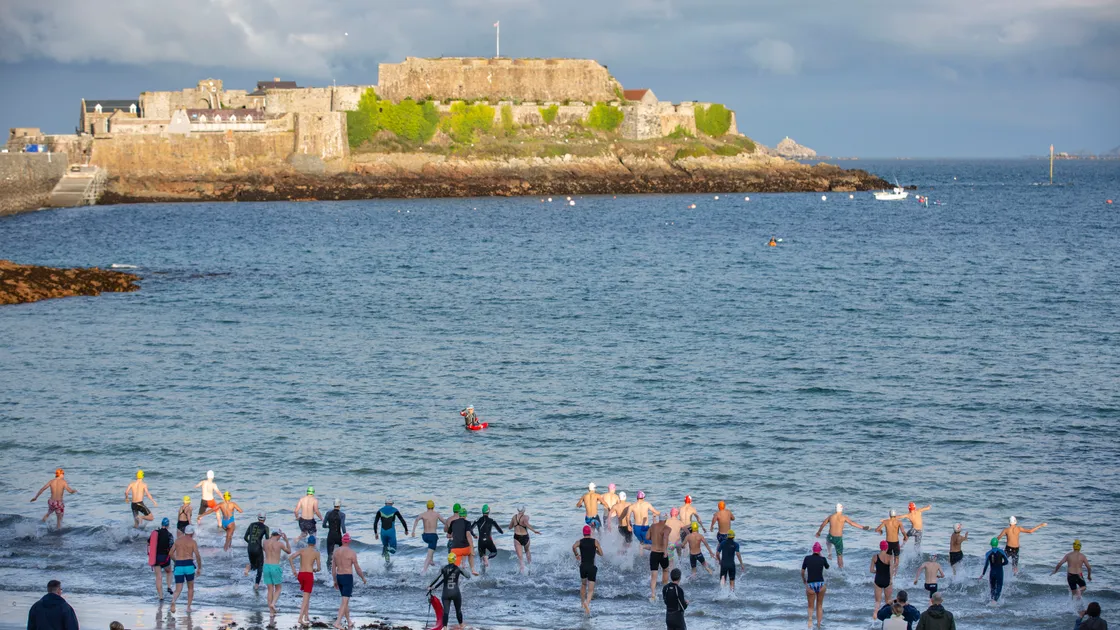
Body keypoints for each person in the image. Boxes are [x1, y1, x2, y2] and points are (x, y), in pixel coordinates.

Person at [815, 503, 871, 569]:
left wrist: (819, 532)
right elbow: (852, 523)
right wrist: (862, 527)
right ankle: (841, 569)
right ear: (842, 509)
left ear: (835, 509)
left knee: (827, 541)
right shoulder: (844, 517)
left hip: (830, 537)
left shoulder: (831, 517)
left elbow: (823, 524)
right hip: (838, 539)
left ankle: (829, 553)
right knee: (839, 556)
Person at [332, 533, 367, 630]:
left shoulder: (336, 552)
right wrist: (363, 578)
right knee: (344, 601)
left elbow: (333, 568)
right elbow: (357, 568)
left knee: (345, 601)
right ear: (349, 541)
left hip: (339, 576)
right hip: (347, 577)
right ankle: (338, 622)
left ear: (342, 541)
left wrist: (335, 580)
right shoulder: (352, 553)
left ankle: (349, 621)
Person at [429, 552, 470, 628]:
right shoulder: (458, 568)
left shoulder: (443, 568)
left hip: (446, 593)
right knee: (458, 610)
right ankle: (461, 625)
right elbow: (468, 576)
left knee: (446, 612)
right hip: (455, 593)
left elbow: (436, 578)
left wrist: (430, 585)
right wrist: (463, 569)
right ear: (454, 560)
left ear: (448, 560)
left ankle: (445, 627)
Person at [168, 525, 202, 613]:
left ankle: (173, 601)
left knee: (178, 589)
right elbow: (197, 556)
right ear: (192, 533)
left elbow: (171, 553)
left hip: (179, 565)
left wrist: (176, 561)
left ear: (185, 532)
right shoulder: (193, 542)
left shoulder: (177, 541)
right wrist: (199, 567)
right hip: (189, 565)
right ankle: (188, 607)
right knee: (190, 588)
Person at [290, 534, 322, 626]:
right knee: (306, 597)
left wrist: (294, 571)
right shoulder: (316, 553)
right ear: (315, 543)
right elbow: (319, 568)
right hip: (308, 575)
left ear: (308, 543)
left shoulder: (302, 550)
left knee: (306, 595)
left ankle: (306, 616)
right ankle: (300, 618)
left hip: (301, 574)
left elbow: (290, 558)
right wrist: (315, 569)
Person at [572, 525, 603, 614]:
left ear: (583, 533)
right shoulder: (595, 542)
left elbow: (574, 547)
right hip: (591, 567)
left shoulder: (580, 542)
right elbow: (601, 553)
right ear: (590, 532)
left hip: (583, 567)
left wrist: (576, 555)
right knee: (591, 589)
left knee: (583, 584)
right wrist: (595, 551)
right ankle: (587, 603)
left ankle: (582, 603)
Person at [413, 500, 450, 573]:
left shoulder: (423, 514)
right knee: (429, 555)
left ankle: (432, 561)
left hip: (425, 536)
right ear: (433, 507)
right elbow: (445, 522)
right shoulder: (437, 514)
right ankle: (424, 570)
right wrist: (451, 525)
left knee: (431, 547)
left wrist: (413, 531)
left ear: (427, 507)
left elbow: (416, 520)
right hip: (433, 536)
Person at [262, 529, 291, 614]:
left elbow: (264, 550)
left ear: (272, 534)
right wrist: (286, 540)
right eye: (280, 536)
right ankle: (273, 604)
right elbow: (289, 551)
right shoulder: (280, 544)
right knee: (278, 588)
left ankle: (271, 612)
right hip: (275, 566)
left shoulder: (265, 542)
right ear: (278, 535)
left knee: (270, 589)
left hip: (266, 566)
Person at [802, 542, 830, 628]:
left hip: (810, 584)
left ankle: (810, 620)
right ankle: (818, 625)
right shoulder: (823, 559)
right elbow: (827, 567)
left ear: (813, 550)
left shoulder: (807, 558)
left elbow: (802, 572)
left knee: (810, 606)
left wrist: (804, 580)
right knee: (819, 605)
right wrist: (822, 557)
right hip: (820, 584)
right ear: (820, 550)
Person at [447, 507, 479, 576]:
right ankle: (473, 569)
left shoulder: (453, 522)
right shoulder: (467, 523)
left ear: (459, 515)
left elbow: (449, 535)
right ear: (465, 515)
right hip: (465, 549)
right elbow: (468, 535)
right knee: (470, 553)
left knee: (455, 568)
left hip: (455, 550)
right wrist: (472, 548)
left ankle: (454, 579)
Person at [876, 510, 909, 575]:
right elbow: (902, 531)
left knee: (889, 558)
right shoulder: (899, 522)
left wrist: (881, 531)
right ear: (895, 515)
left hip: (888, 543)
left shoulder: (885, 522)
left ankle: (888, 572)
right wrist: (905, 537)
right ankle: (895, 573)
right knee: (896, 558)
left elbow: (877, 529)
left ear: (889, 515)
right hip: (896, 543)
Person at [242, 512, 270, 590]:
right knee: (260, 567)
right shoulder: (265, 527)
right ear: (265, 519)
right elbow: (267, 540)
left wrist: (251, 543)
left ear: (258, 518)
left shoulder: (251, 524)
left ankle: (247, 568)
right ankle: (256, 585)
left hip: (250, 548)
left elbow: (245, 537)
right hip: (258, 548)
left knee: (253, 564)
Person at [509, 505, 540, 573]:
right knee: (527, 551)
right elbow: (526, 524)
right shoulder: (526, 517)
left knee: (521, 559)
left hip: (517, 537)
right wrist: (534, 531)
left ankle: (522, 572)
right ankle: (530, 566)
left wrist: (515, 524)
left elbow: (510, 527)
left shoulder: (514, 517)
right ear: (524, 510)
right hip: (525, 537)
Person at [472, 504, 504, 571]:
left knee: (481, 560)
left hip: (480, 541)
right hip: (488, 540)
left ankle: (483, 576)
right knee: (494, 552)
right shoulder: (491, 520)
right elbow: (500, 531)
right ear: (488, 511)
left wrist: (474, 535)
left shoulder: (477, 520)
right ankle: (488, 557)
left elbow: (469, 529)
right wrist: (501, 531)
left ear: (482, 511)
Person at [148, 518, 174, 600]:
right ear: (168, 525)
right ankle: (169, 586)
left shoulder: (155, 533)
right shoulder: (169, 535)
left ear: (161, 524)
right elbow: (171, 548)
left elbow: (149, 542)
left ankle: (161, 596)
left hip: (156, 558)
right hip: (165, 558)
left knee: (158, 577)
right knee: (169, 571)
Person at [648, 514, 672, 602]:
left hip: (654, 553)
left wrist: (654, 538)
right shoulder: (667, 528)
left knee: (654, 575)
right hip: (662, 553)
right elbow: (665, 537)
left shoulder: (653, 526)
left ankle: (653, 594)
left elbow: (647, 537)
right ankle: (664, 592)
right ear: (665, 520)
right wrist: (665, 550)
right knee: (665, 571)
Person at [979, 537, 1010, 605]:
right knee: (999, 586)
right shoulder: (1001, 551)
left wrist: (983, 574)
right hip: (999, 572)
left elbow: (986, 564)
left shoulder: (988, 553)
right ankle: (995, 601)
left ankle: (992, 600)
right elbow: (1006, 562)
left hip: (992, 572)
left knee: (992, 588)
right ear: (997, 544)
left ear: (991, 544)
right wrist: (1001, 564)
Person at [871, 541, 894, 620]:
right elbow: (891, 570)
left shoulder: (875, 557)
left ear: (880, 547)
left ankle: (875, 615)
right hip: (887, 580)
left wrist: (877, 571)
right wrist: (891, 579)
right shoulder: (890, 557)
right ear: (887, 547)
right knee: (888, 601)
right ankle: (888, 617)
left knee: (877, 601)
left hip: (878, 580)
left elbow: (871, 570)